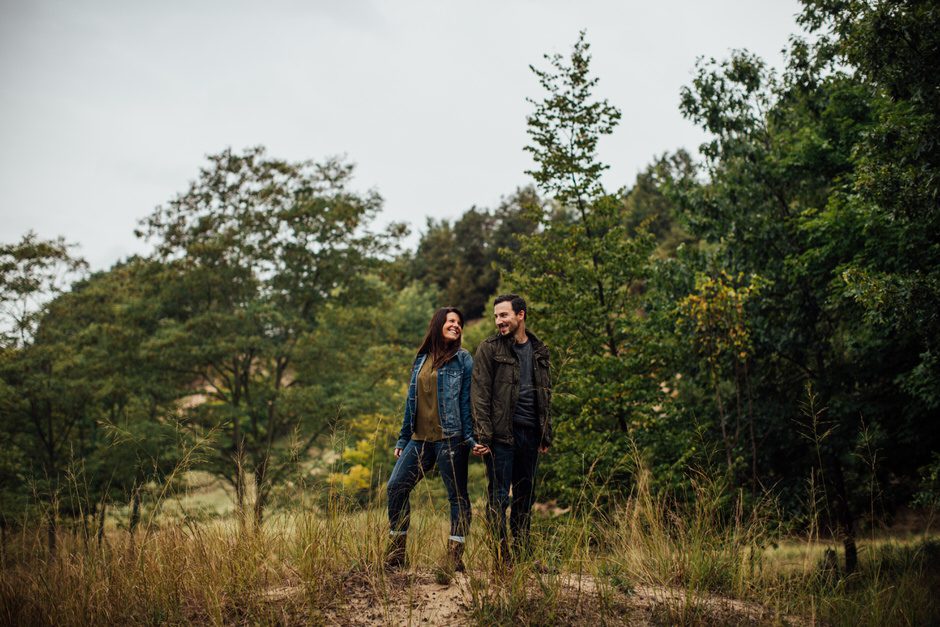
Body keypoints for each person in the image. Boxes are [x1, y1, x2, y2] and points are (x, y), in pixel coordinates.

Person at [386, 307, 475, 571]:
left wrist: (469, 438)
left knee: (457, 497)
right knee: (396, 487)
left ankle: (454, 558)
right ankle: (397, 554)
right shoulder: (422, 358)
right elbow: (410, 401)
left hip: (451, 438)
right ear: (438, 324)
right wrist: (403, 439)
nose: (456, 325)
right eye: (451, 321)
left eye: (459, 322)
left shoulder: (463, 359)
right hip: (420, 440)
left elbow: (466, 402)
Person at [471, 294, 552, 567]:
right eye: (496, 317)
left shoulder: (540, 350)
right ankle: (501, 559)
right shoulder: (489, 349)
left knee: (525, 497)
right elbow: (479, 395)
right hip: (500, 436)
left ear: (521, 315)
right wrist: (483, 436)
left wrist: (545, 434)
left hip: (530, 434)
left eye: (503, 315)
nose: (499, 321)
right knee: (498, 498)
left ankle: (524, 557)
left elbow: (546, 395)